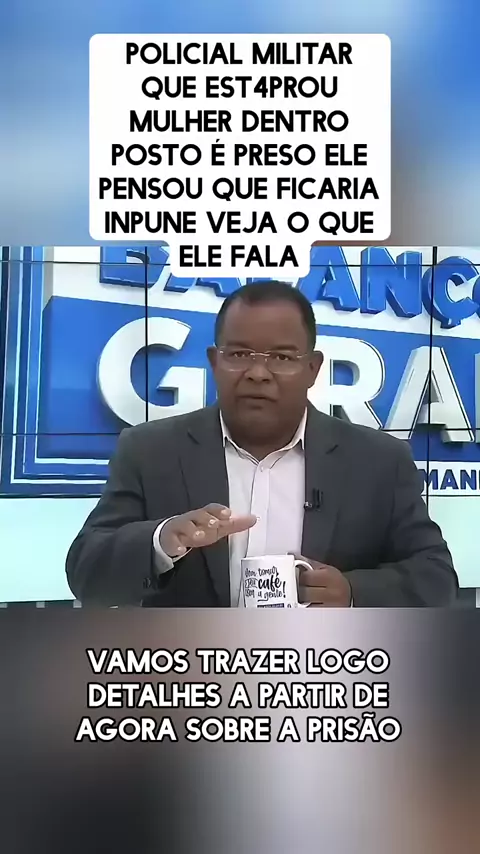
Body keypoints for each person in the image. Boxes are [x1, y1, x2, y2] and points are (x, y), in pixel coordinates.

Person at [66, 281, 458, 608]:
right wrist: (161, 541)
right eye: (238, 354)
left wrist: (352, 593)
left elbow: (436, 576)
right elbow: (86, 573)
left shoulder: (379, 461)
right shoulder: (150, 451)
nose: (257, 373)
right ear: (214, 362)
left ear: (313, 368)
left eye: (282, 357)